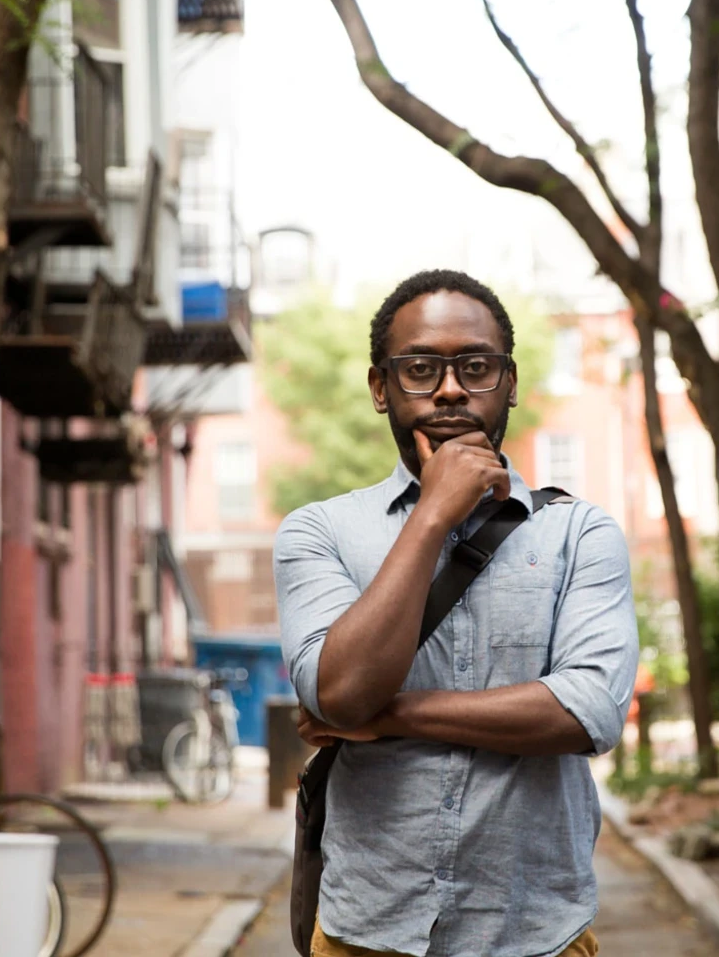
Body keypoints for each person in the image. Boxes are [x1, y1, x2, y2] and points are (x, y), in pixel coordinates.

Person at [274, 269, 640, 957]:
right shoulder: (316, 532)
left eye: (475, 366)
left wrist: (388, 718)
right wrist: (435, 513)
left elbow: (586, 711)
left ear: (510, 383)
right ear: (381, 388)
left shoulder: (581, 534)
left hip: (538, 935)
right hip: (367, 934)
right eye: (419, 368)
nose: (448, 388)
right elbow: (341, 691)